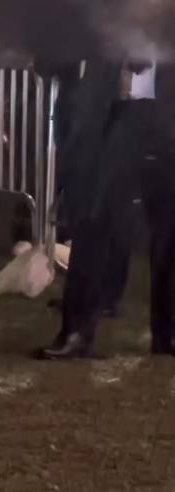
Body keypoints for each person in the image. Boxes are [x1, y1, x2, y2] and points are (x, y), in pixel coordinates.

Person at [36, 57, 175, 360]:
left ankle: (169, 333)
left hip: (167, 113)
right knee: (94, 222)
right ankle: (76, 332)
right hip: (111, 112)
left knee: (170, 228)